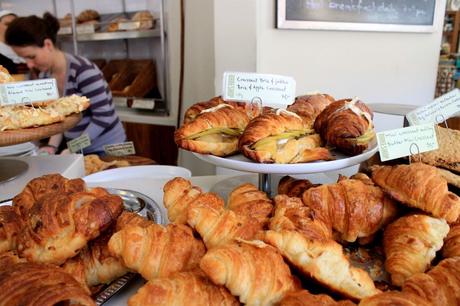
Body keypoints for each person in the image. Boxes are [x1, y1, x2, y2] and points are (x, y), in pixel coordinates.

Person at [5, 12, 126, 155]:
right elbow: (57, 116)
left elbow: (103, 117)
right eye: (23, 59)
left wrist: (73, 147)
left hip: (108, 149)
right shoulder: (45, 77)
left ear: (48, 45)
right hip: (78, 150)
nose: (29, 64)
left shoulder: (83, 71)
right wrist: (52, 147)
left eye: (31, 57)